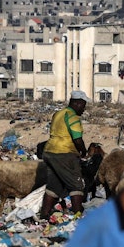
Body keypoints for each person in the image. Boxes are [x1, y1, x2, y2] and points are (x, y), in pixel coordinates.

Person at [41, 90, 90, 219]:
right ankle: (78, 216)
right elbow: (77, 139)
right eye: (83, 105)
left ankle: (44, 215)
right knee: (76, 184)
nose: (84, 109)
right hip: (64, 153)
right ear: (78, 103)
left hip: (49, 151)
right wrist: (83, 151)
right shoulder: (72, 116)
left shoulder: (58, 114)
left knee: (54, 185)